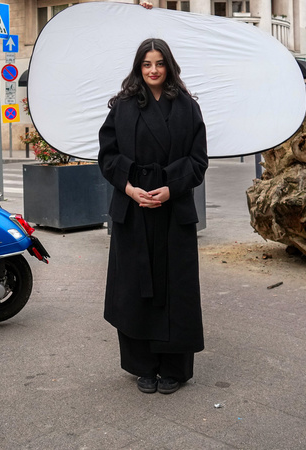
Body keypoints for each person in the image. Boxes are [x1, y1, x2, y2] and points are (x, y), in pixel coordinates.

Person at [98, 38, 208, 395]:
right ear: (138, 68)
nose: (153, 70)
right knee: (133, 290)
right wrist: (130, 189)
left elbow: (198, 160)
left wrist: (170, 188)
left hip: (173, 210)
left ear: (169, 66)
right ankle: (142, 364)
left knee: (176, 291)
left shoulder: (188, 107)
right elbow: (108, 156)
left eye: (159, 63)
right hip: (133, 209)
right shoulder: (124, 107)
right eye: (146, 64)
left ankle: (174, 368)